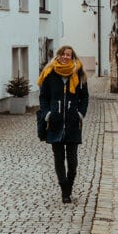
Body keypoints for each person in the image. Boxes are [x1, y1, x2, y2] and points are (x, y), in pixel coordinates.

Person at [37, 45, 89, 204]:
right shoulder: (49, 73)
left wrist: (80, 113)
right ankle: (64, 190)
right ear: (58, 56)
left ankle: (69, 186)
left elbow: (85, 97)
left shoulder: (79, 73)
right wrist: (47, 114)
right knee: (58, 159)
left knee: (72, 161)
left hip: (73, 124)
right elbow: (43, 98)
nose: (66, 57)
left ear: (72, 57)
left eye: (69, 55)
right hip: (55, 123)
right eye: (63, 54)